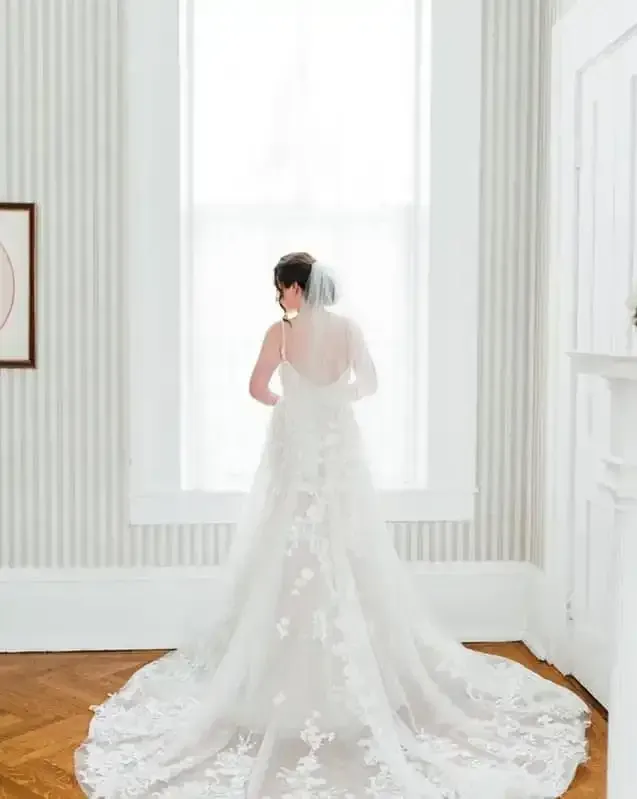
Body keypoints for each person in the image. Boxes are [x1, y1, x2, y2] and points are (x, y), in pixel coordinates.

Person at [75, 253, 589, 798]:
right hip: (335, 450)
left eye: (281, 289)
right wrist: (331, 399)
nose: (279, 298)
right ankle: (358, 684)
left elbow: (255, 388)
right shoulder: (347, 331)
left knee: (284, 553)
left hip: (296, 451)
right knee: (347, 552)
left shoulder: (281, 333)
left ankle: (275, 685)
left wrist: (289, 402)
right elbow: (368, 384)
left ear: (296, 288)